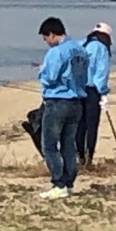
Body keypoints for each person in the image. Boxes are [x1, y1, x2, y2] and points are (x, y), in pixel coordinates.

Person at [37, 17, 89, 199]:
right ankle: (69, 182)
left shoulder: (56, 52)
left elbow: (50, 77)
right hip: (77, 102)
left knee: (49, 145)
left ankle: (59, 183)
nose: (47, 43)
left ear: (51, 34)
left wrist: (41, 71)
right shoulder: (81, 50)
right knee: (69, 143)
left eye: (46, 38)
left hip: (57, 101)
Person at [77, 22, 112, 168]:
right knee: (91, 125)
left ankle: (79, 157)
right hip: (92, 91)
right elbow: (100, 74)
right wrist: (103, 93)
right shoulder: (102, 48)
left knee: (79, 125)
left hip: (77, 89)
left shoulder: (80, 44)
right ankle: (89, 157)